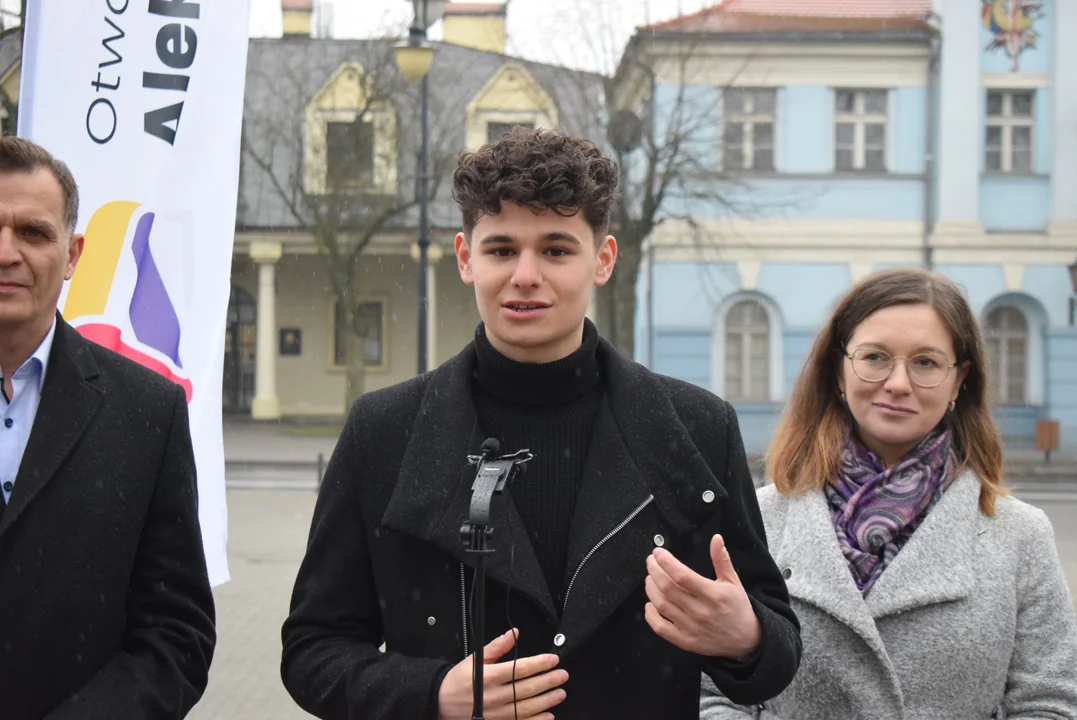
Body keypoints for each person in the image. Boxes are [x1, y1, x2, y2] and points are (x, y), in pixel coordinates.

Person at [280, 127, 801, 719]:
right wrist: (430, 695)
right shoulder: (385, 431)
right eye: (501, 249)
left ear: (602, 260)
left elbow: (777, 655)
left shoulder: (696, 427)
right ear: (465, 258)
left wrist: (747, 637)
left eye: (556, 249)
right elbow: (312, 651)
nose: (525, 275)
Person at [701, 268, 1077, 719]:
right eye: (875, 357)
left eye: (925, 362)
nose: (898, 384)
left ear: (959, 380)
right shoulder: (760, 519)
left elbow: (1050, 704)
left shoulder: (1019, 536)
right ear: (838, 371)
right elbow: (709, 693)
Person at [0, 136, 216, 718]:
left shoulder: (148, 411)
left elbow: (178, 635)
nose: (6, 252)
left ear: (73, 255)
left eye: (33, 232)